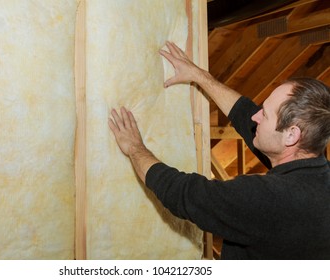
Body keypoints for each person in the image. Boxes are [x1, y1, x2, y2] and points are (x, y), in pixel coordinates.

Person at [108, 41, 330, 260]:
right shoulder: (317, 174)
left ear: (292, 135)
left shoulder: (268, 200)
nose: (256, 116)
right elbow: (246, 116)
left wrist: (135, 148)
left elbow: (183, 193)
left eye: (265, 114)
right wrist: (199, 76)